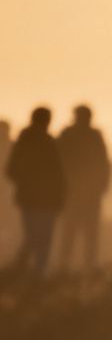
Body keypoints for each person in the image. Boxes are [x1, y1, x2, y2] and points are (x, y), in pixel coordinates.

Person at [5, 107, 65, 280]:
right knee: (39, 237)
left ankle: (30, 273)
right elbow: (13, 170)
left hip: (35, 198)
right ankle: (32, 273)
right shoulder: (43, 142)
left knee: (36, 237)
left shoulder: (28, 141)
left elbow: (11, 170)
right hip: (39, 198)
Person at [55, 105, 110, 271]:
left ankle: (86, 267)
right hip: (74, 192)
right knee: (71, 231)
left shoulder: (92, 135)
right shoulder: (70, 135)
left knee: (87, 233)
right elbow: (58, 162)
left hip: (88, 193)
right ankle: (65, 266)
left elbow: (103, 163)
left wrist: (101, 185)